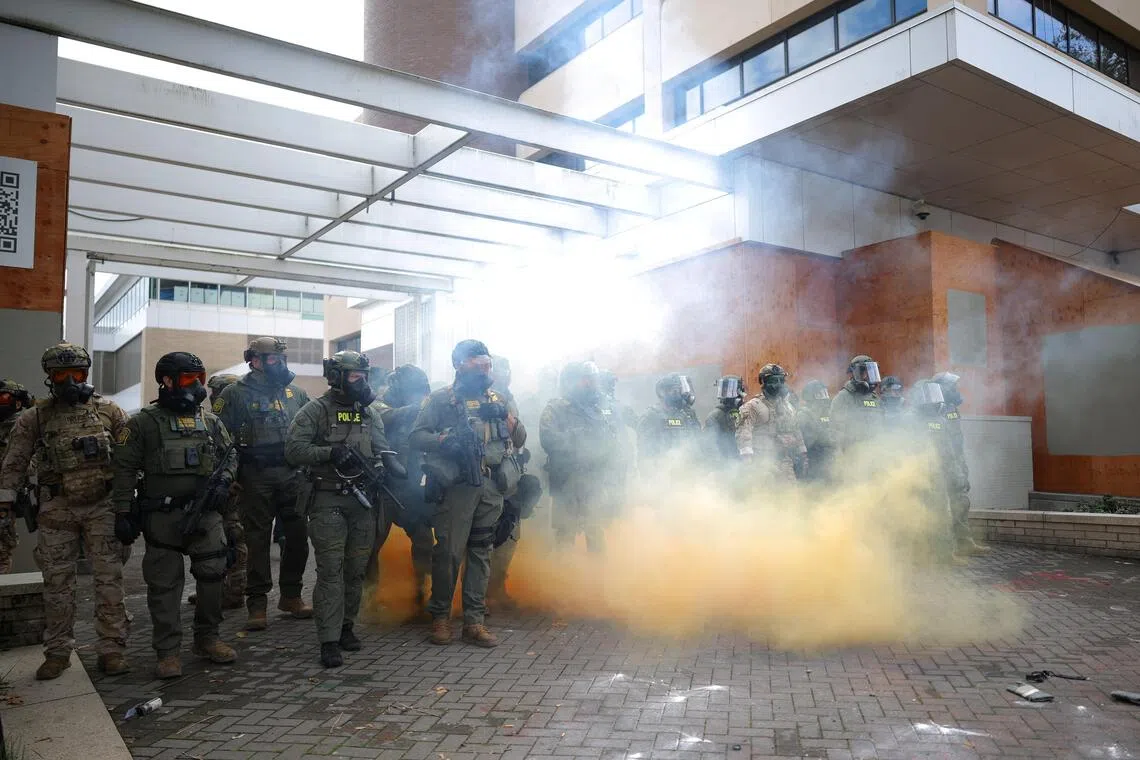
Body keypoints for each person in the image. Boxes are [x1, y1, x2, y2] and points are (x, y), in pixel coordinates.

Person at [0, 344, 130, 680]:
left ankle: (112, 649)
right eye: (62, 375)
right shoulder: (36, 417)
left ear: (87, 373)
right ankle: (57, 653)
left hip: (102, 508)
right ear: (49, 378)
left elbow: (130, 459)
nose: (71, 381)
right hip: (57, 510)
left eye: (78, 374)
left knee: (109, 581)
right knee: (57, 584)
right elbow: (14, 462)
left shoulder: (110, 411)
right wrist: (5, 503)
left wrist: (131, 505)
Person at [111, 353, 239, 678]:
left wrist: (225, 480)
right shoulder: (143, 422)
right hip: (162, 517)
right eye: (186, 379)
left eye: (199, 377)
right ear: (166, 380)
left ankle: (207, 638)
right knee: (164, 586)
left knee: (213, 576)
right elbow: (124, 468)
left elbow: (230, 454)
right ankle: (167, 652)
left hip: (206, 513)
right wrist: (123, 512)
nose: (196, 385)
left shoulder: (209, 421)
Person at [286, 351, 405, 667]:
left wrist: (384, 465)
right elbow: (294, 449)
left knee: (355, 569)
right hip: (328, 501)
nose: (362, 382)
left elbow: (380, 447)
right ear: (337, 377)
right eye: (355, 376)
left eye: (364, 376)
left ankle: (346, 627)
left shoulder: (368, 413)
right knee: (331, 570)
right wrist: (330, 453)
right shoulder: (315, 411)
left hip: (362, 501)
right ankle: (328, 639)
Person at [410, 340, 527, 648]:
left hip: (491, 486)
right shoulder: (440, 400)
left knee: (481, 553)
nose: (486, 372)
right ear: (460, 365)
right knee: (448, 553)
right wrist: (445, 439)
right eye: (479, 366)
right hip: (457, 487)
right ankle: (441, 618)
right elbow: (417, 436)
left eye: (488, 366)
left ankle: (474, 622)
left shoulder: (498, 399)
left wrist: (506, 417)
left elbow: (521, 436)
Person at [214, 337, 312, 631]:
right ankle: (257, 603)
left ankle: (291, 596)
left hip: (293, 476)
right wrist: (229, 477)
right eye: (272, 359)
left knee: (297, 537)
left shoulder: (296, 393)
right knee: (256, 541)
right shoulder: (234, 394)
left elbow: (311, 433)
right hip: (254, 478)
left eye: (282, 359)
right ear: (254, 360)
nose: (279, 365)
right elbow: (219, 439)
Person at [365, 363, 435, 618]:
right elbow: (385, 418)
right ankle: (369, 601)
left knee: (425, 540)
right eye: (414, 390)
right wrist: (420, 408)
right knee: (371, 545)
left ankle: (421, 595)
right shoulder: (379, 404)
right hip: (382, 488)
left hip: (411, 488)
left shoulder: (421, 407)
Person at [540, 362, 611, 553]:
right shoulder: (556, 408)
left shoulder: (597, 409)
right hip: (567, 481)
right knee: (565, 533)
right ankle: (564, 577)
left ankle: (600, 577)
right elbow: (548, 439)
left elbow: (609, 439)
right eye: (586, 379)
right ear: (571, 382)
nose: (591, 384)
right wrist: (577, 437)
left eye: (593, 380)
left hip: (593, 480)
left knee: (595, 530)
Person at [188, 374, 245, 610]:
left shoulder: (219, 416)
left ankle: (227, 591)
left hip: (226, 486)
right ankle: (230, 590)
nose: (212, 396)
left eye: (214, 391)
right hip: (226, 484)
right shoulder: (238, 414)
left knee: (227, 539)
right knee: (230, 537)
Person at [933, 371, 989, 556]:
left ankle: (964, 543)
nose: (956, 390)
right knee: (942, 509)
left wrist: (962, 467)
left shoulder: (951, 409)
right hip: (943, 464)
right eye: (952, 387)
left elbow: (957, 440)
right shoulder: (935, 409)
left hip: (956, 461)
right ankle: (945, 551)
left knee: (961, 503)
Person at [908, 379, 963, 566]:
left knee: (942, 514)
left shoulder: (940, 421)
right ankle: (919, 555)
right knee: (918, 516)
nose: (933, 399)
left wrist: (956, 473)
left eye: (934, 393)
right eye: (928, 394)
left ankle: (945, 554)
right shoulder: (910, 420)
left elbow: (948, 451)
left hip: (937, 475)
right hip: (918, 475)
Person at [736, 364, 806, 483]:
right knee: (766, 497)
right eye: (774, 380)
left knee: (791, 496)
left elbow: (795, 429)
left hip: (784, 460)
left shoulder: (787, 406)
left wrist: (802, 453)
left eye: (781, 380)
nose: (778, 384)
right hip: (762, 462)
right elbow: (743, 431)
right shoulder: (753, 406)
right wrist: (747, 458)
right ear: (764, 382)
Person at [0, 379, 33, 573]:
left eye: (4, 398)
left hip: (5, 501)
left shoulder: (25, 428)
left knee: (2, 551)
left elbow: (33, 463)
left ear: (19, 402)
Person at [637, 373, 702, 466]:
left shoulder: (688, 413)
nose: (681, 394)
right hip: (663, 471)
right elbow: (644, 452)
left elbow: (699, 441)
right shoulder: (651, 416)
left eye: (680, 390)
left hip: (689, 468)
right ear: (663, 393)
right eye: (675, 391)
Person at [829, 355, 885, 454]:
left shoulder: (875, 398)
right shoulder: (844, 397)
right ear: (856, 374)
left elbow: (882, 427)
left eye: (872, 373)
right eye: (865, 373)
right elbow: (836, 432)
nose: (868, 377)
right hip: (853, 455)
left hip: (875, 453)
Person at [796, 380, 835, 483]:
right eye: (821, 394)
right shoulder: (804, 415)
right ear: (811, 396)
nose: (825, 397)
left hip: (829, 459)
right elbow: (807, 441)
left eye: (826, 393)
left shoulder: (827, 413)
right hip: (813, 460)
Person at [706, 375, 746, 465]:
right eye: (724, 391)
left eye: (731, 391)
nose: (728, 395)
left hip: (745, 460)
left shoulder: (746, 412)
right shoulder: (715, 416)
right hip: (726, 463)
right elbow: (710, 445)